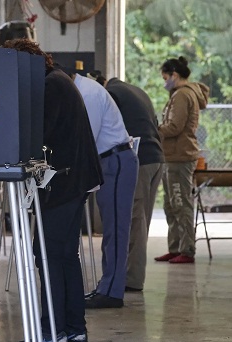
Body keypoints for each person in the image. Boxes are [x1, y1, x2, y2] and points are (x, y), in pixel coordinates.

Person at [3, 39, 103, 342]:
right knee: (63, 256)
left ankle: (52, 332)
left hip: (63, 184)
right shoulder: (58, 79)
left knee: (45, 255)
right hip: (73, 181)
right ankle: (74, 330)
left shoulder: (51, 86)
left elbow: (39, 135)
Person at [61, 67, 139, 309]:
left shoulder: (89, 94)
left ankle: (112, 293)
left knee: (116, 230)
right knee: (111, 229)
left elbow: (86, 139)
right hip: (110, 161)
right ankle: (108, 286)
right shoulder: (84, 90)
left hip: (115, 160)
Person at [99, 74, 165, 291]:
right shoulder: (137, 91)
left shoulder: (110, 95)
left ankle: (130, 280)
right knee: (141, 221)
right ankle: (133, 276)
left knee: (133, 222)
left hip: (139, 160)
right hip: (156, 158)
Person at [154, 57, 209, 264]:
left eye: (165, 77)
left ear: (175, 75)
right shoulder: (181, 94)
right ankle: (175, 247)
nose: (164, 82)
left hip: (180, 157)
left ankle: (186, 250)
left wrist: (154, 130)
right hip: (174, 156)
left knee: (180, 203)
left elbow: (175, 126)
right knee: (171, 204)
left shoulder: (183, 95)